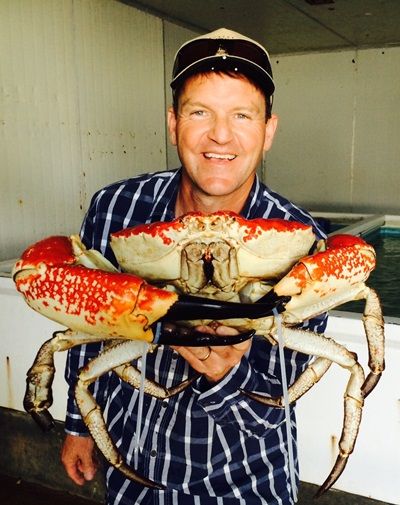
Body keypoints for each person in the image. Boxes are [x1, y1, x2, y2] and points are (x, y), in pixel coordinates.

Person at [61, 28, 327, 505]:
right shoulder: (117, 208)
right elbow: (90, 327)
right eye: (199, 112)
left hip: (248, 481)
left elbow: (275, 403)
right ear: (173, 123)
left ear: (268, 131)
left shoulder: (303, 242)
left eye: (242, 115)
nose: (220, 135)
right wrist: (80, 426)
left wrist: (225, 370)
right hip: (131, 466)